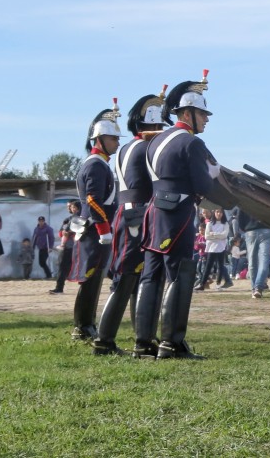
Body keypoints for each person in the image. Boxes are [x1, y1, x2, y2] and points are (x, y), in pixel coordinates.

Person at [133, 72, 218, 360]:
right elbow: (204, 185)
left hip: (154, 213)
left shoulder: (156, 140)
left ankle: (143, 342)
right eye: (203, 114)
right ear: (189, 112)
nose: (206, 119)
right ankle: (172, 343)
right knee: (179, 276)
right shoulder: (191, 143)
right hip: (178, 214)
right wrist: (214, 175)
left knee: (150, 277)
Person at [94, 88, 166, 356]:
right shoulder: (147, 147)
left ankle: (142, 335)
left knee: (134, 278)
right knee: (127, 279)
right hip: (139, 214)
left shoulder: (128, 147)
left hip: (128, 213)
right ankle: (105, 340)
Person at [70, 101, 121, 341]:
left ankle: (86, 324)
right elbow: (93, 200)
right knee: (89, 279)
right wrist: (104, 230)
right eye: (113, 139)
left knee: (95, 279)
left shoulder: (99, 164)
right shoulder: (96, 166)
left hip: (97, 230)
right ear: (99, 140)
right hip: (94, 230)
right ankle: (82, 326)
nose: (117, 143)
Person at [50, 201, 80, 294]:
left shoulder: (82, 219)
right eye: (71, 207)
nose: (71, 208)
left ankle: (60, 287)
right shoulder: (67, 219)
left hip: (76, 246)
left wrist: (70, 233)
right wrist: (64, 233)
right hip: (68, 246)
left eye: (73, 207)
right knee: (62, 267)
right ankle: (59, 287)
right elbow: (60, 232)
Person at [201, 208, 232, 290]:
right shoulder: (210, 224)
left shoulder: (225, 224)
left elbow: (224, 235)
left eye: (221, 212)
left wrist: (213, 234)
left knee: (220, 266)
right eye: (217, 212)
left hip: (221, 247)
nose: (219, 214)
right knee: (208, 266)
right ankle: (202, 284)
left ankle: (218, 284)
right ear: (214, 212)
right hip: (211, 247)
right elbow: (207, 236)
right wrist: (218, 236)